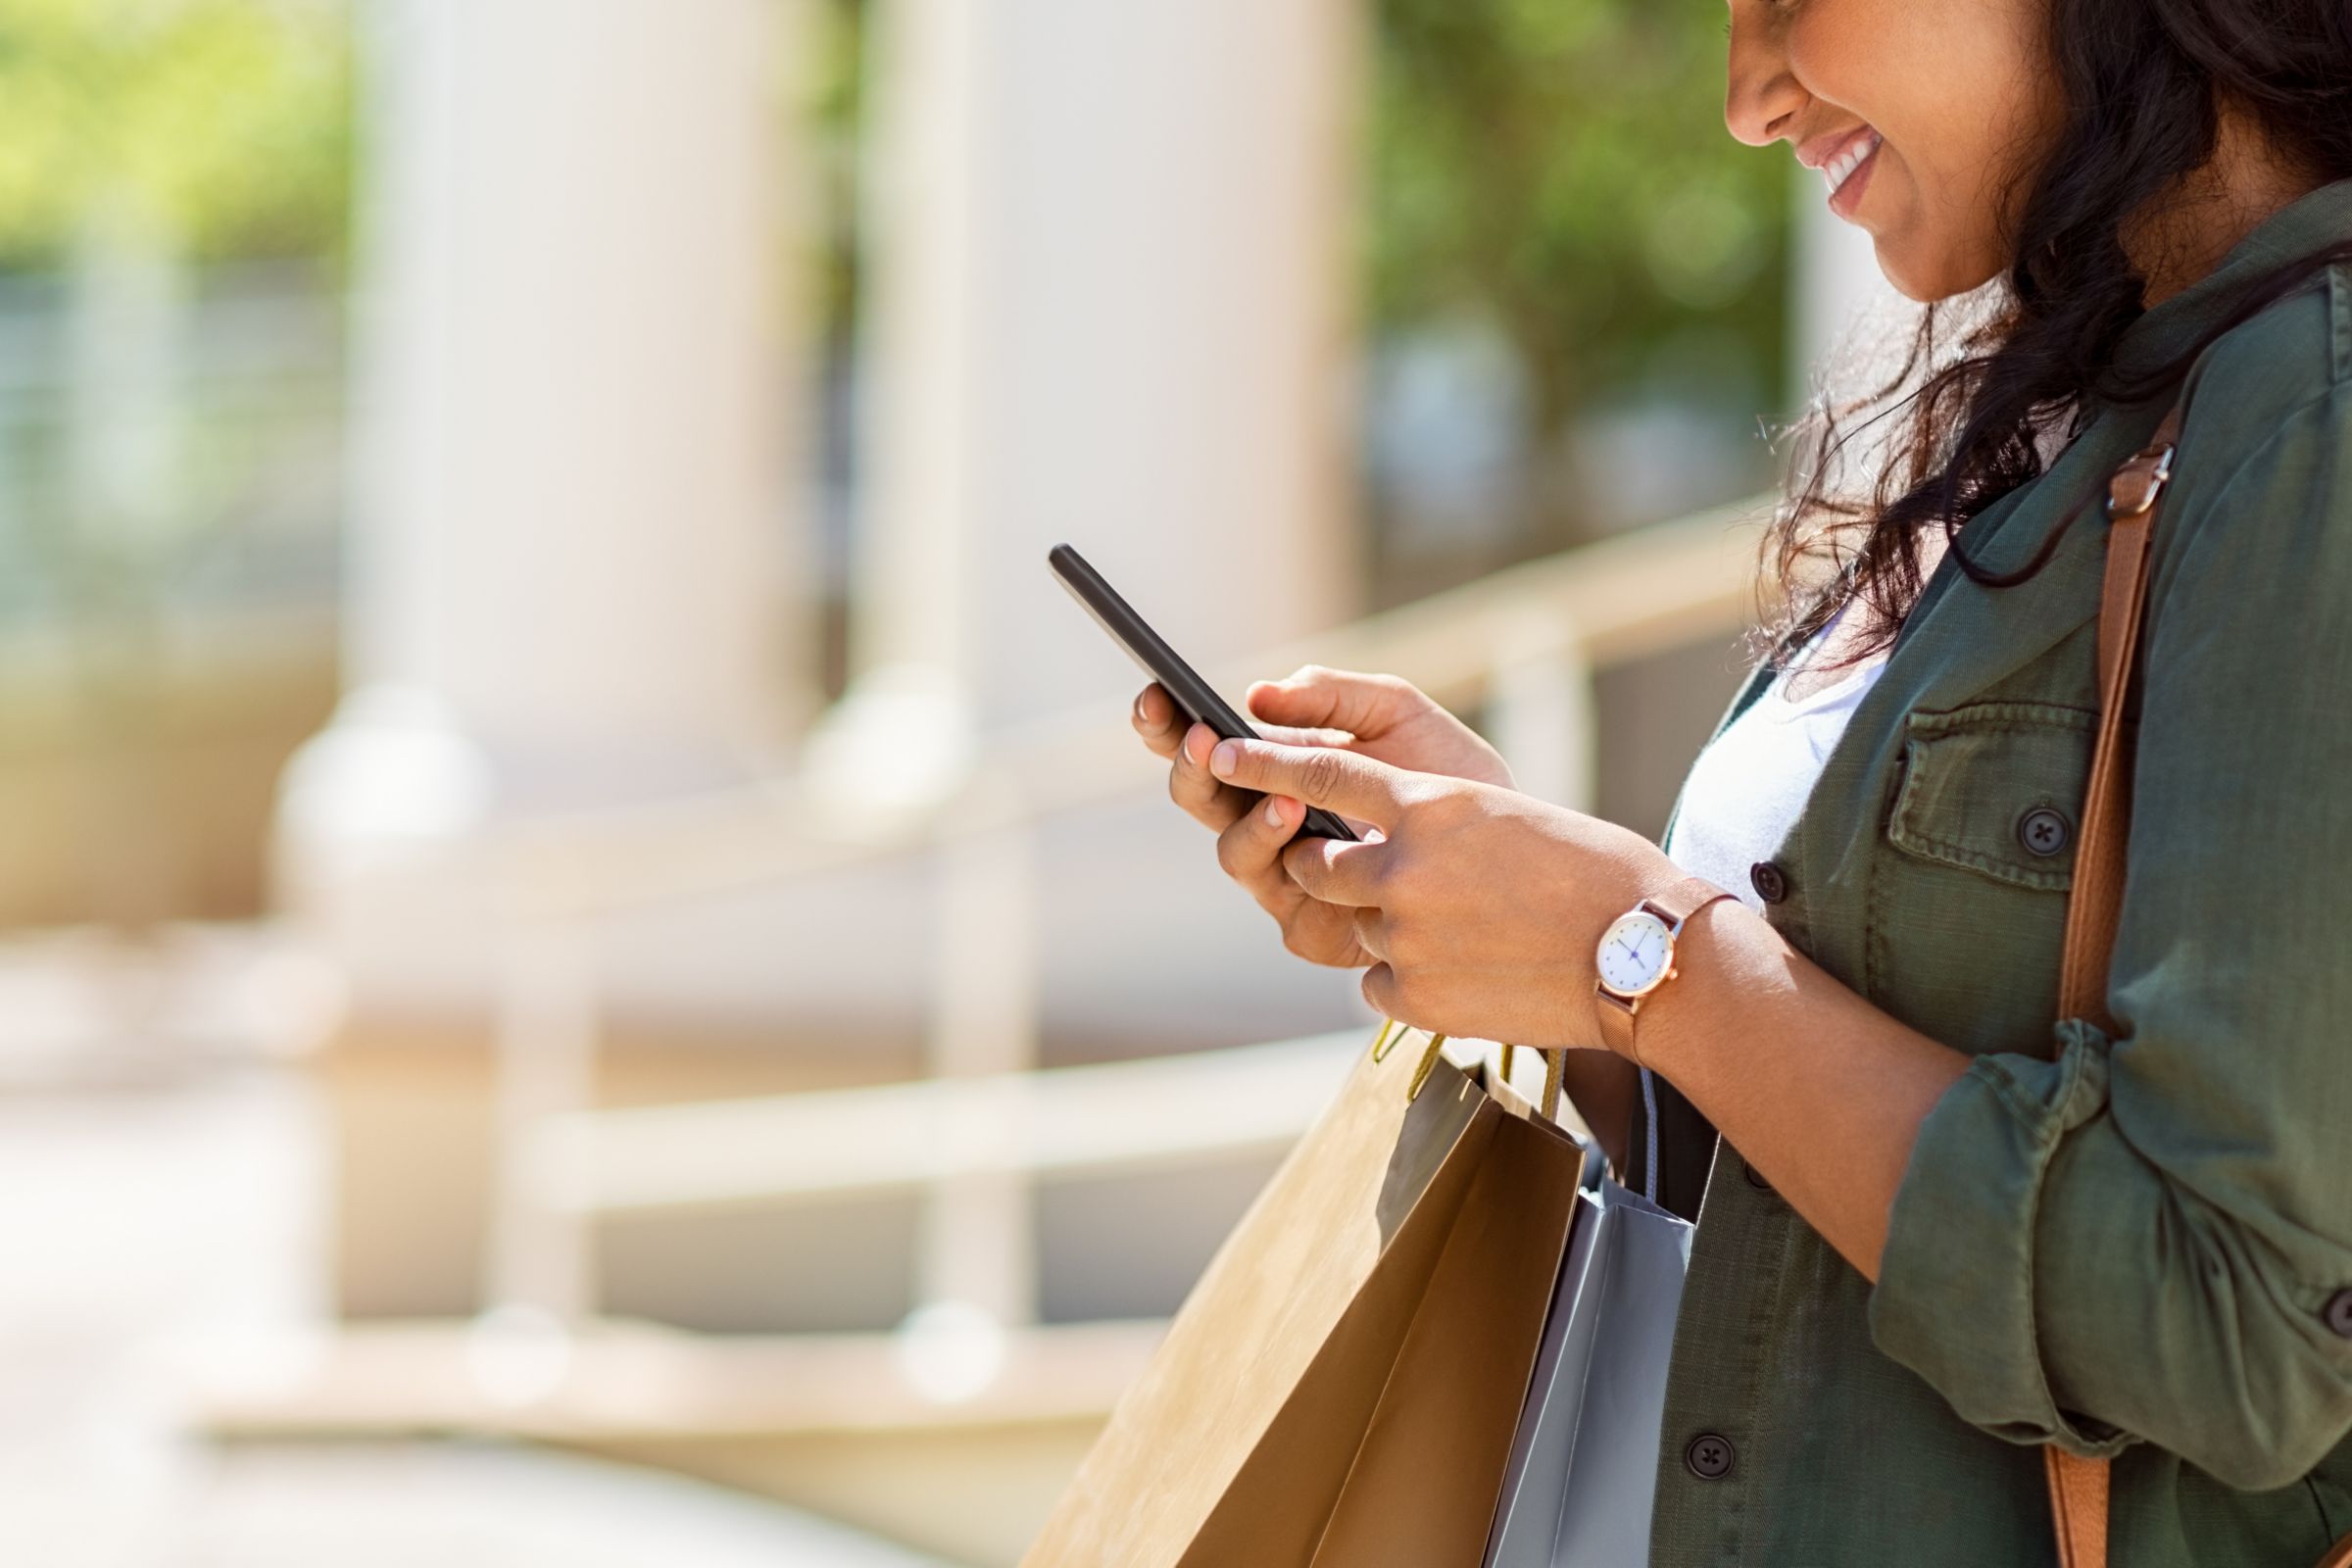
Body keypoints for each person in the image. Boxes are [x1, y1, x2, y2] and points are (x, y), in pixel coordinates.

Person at [1130, 2, 2352, 1562]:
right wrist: (1524, 923)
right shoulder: (2092, 401)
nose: (1745, 98)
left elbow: (2238, 1331)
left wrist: (1638, 952)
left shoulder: (2309, 417)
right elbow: (1805, 1124)